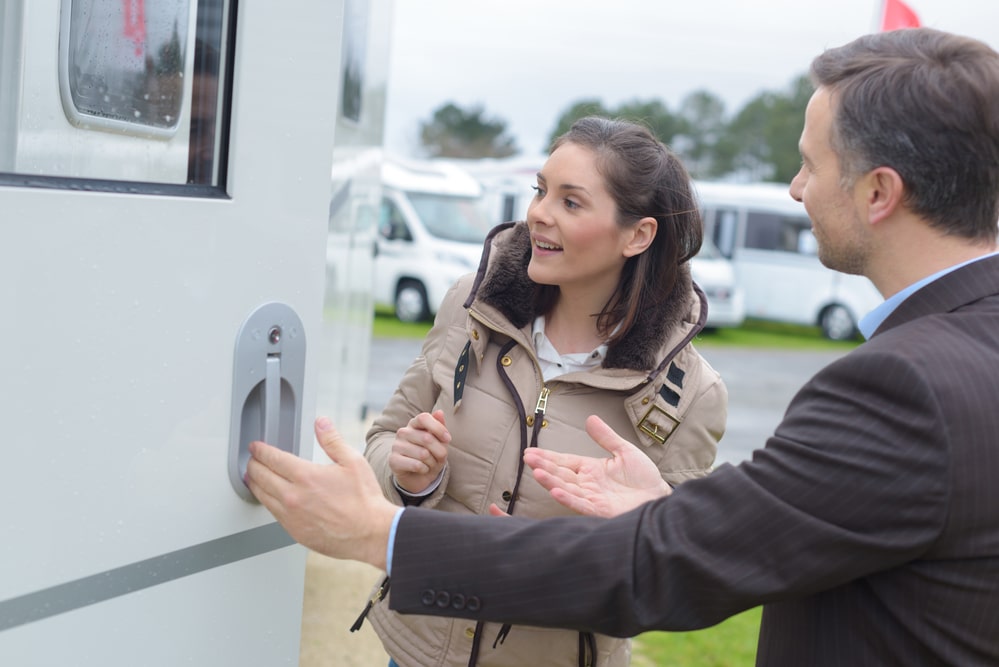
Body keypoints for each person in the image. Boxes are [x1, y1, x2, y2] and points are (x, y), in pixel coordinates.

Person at [246, 27, 999, 665]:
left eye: (810, 162)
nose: (796, 188)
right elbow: (754, 533)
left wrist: (386, 535)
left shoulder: (902, 388)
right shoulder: (967, 348)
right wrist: (662, 508)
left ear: (877, 193)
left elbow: (663, 566)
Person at [356, 116, 727, 667]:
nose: (538, 213)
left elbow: (670, 578)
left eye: (571, 202)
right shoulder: (469, 304)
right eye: (540, 190)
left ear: (638, 235)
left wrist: (630, 533)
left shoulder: (691, 392)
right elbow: (383, 438)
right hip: (414, 652)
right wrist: (413, 479)